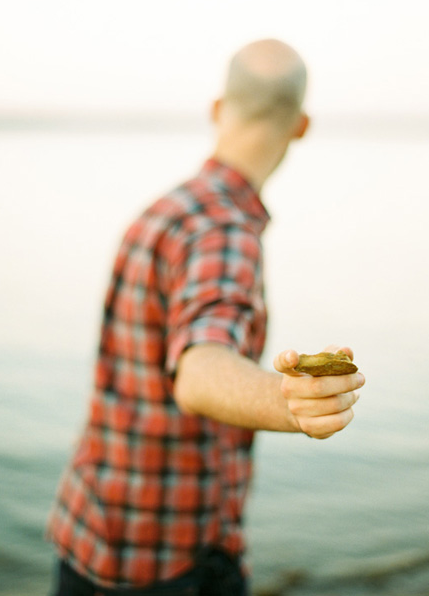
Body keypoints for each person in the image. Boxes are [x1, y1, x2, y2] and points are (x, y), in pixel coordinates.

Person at [46, 38, 365, 595]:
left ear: (218, 109)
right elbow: (199, 368)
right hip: (170, 560)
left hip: (89, 531)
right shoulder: (224, 230)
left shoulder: (167, 210)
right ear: (302, 125)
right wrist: (288, 403)